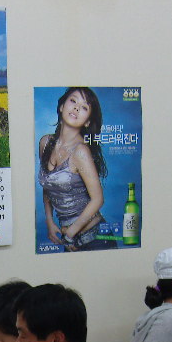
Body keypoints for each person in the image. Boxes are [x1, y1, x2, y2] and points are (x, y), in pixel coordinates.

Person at [38, 87, 111, 252]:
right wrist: (49, 221)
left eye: (84, 107)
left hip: (95, 239)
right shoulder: (45, 143)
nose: (77, 108)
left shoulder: (80, 151)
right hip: (70, 239)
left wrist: (70, 234)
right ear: (62, 106)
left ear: (87, 122)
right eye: (73, 101)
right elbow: (47, 184)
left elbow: (98, 199)